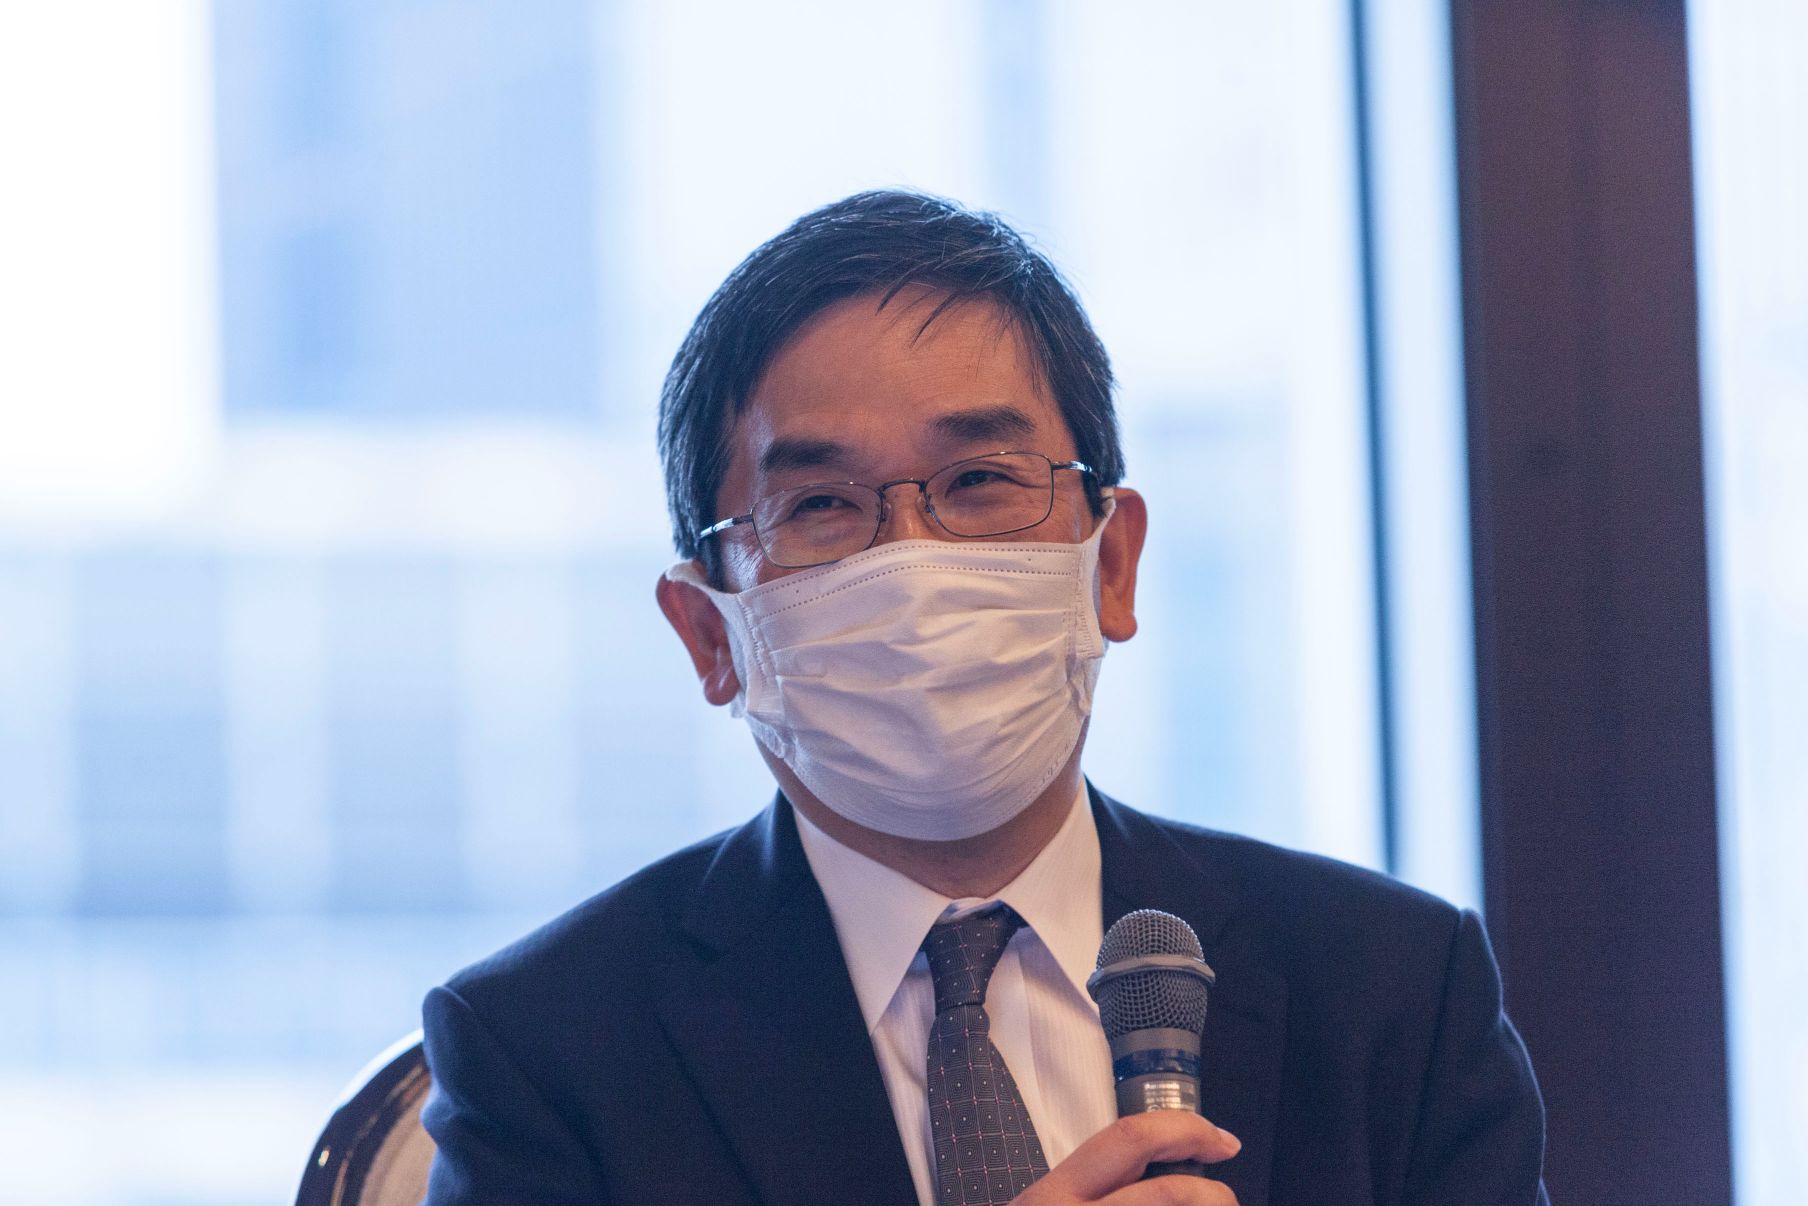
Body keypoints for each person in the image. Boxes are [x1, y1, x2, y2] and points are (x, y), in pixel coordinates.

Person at [419, 190, 1547, 1205]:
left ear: (1112, 566)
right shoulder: (549, 1049)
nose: (911, 562)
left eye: (979, 483)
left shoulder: (1391, 986)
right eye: (821, 507)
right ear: (710, 634)